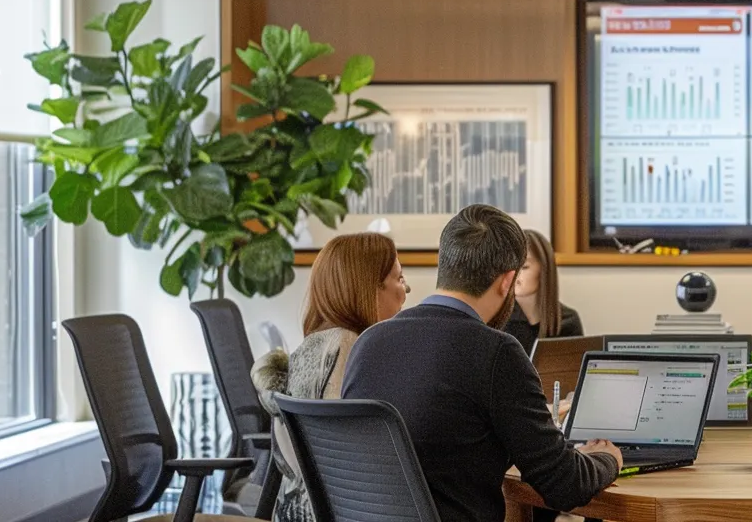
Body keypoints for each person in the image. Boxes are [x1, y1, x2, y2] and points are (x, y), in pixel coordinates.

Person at [343, 205, 621, 522]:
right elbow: (564, 486)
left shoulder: (368, 342)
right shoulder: (496, 352)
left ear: (444, 265)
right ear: (507, 282)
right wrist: (606, 458)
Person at [251, 232, 408, 522]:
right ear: (370, 288)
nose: (406, 289)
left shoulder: (311, 347)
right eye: (399, 279)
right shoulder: (355, 349)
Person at [500, 229, 584, 352]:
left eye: (524, 267)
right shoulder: (496, 321)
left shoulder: (569, 320)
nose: (514, 273)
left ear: (544, 270)